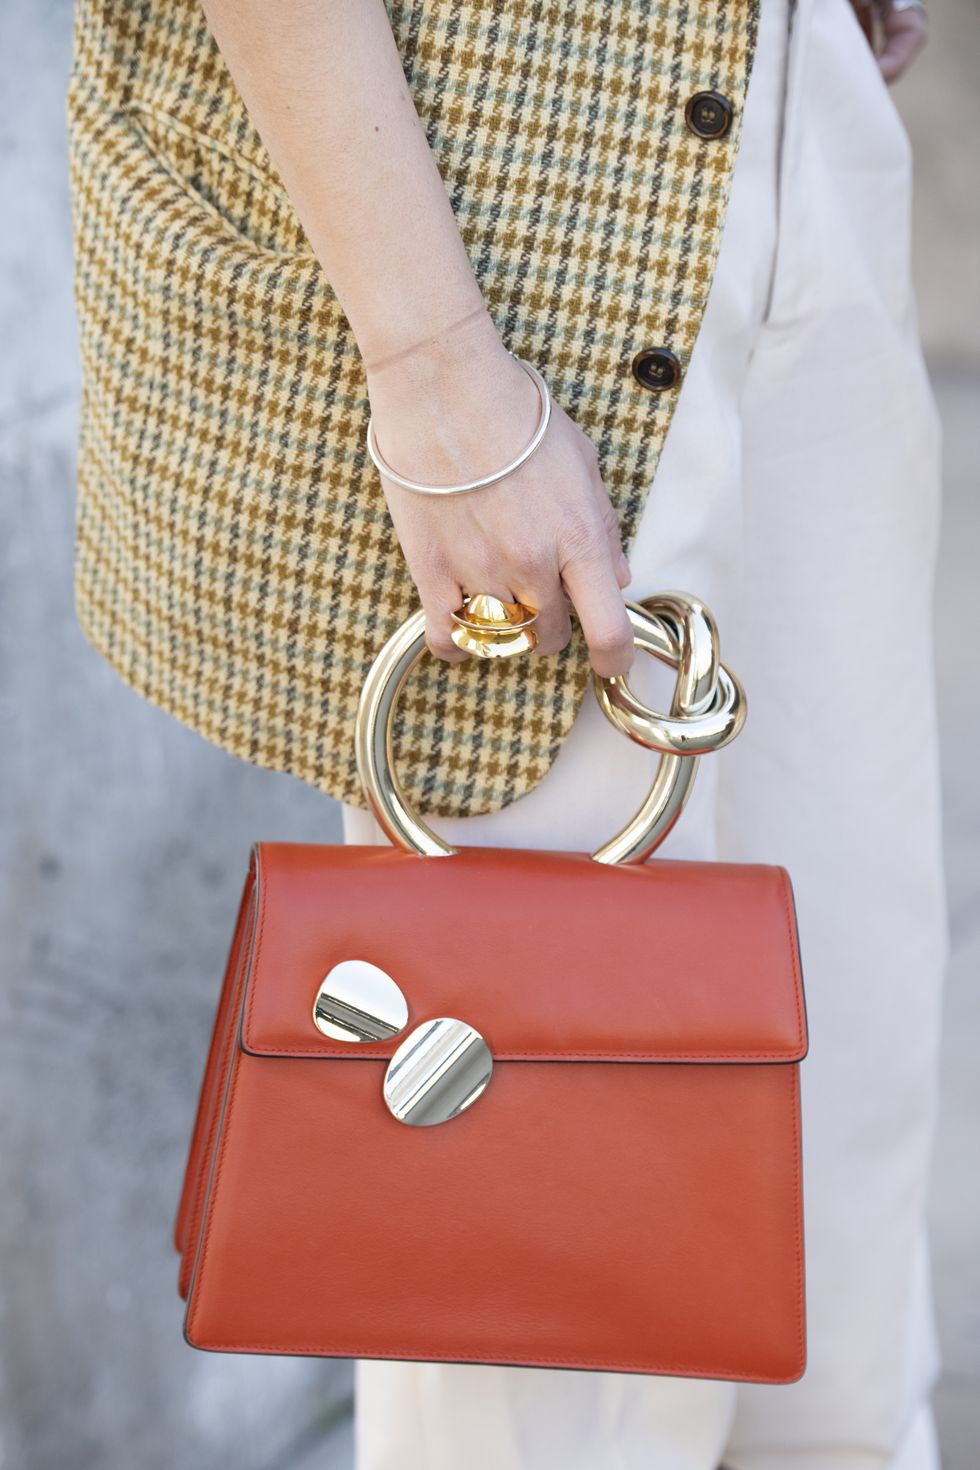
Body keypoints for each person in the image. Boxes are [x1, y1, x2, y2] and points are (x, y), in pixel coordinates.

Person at [66, 0, 945, 1466]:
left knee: (839, 1186)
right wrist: (431, 360)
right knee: (535, 1305)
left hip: (796, 119)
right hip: (496, 236)